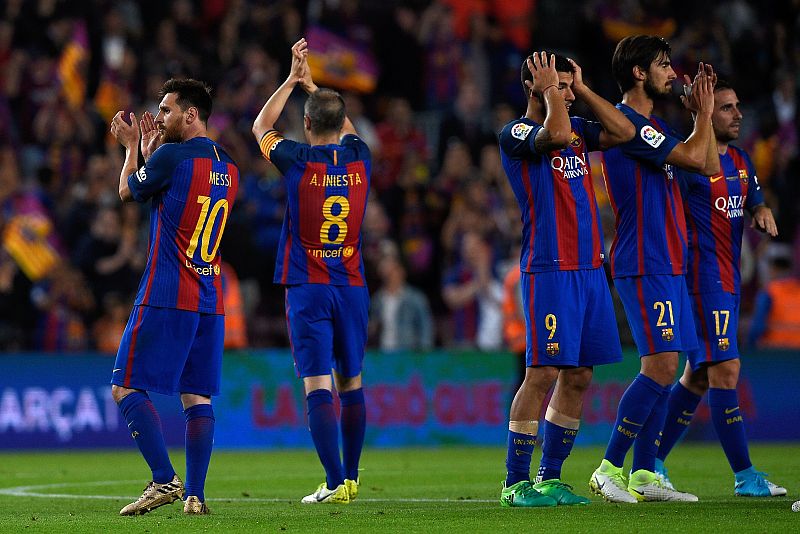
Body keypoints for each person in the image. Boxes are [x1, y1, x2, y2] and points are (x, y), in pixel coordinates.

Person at [497, 51, 635, 507]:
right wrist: (552, 93)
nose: (569, 95)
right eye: (560, 86)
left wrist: (583, 87)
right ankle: (515, 484)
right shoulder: (516, 133)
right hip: (550, 269)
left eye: (569, 86)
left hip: (591, 269)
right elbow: (553, 134)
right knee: (542, 372)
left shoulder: (577, 128)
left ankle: (551, 477)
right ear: (533, 87)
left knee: (578, 374)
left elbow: (624, 132)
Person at [588, 35, 720, 503]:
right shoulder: (629, 124)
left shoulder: (656, 126)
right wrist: (703, 114)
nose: (672, 73)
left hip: (668, 261)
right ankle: (608, 467)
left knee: (670, 364)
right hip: (644, 260)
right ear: (639, 73)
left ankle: (644, 473)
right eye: (663, 64)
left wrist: (700, 118)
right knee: (661, 366)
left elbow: (707, 164)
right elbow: (693, 157)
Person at [108, 78, 239, 516]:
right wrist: (154, 154)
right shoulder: (230, 166)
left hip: (166, 292)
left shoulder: (172, 156)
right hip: (209, 299)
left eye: (166, 110)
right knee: (196, 396)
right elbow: (182, 196)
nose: (160, 117)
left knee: (125, 385)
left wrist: (132, 148)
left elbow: (128, 191)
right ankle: (195, 497)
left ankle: (164, 479)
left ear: (191, 114)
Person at [252, 38, 369, 505]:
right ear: (340, 123)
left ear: (305, 124)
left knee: (318, 384)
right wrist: (315, 87)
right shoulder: (360, 156)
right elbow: (345, 125)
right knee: (351, 381)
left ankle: (335, 482)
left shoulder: (296, 160)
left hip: (307, 286)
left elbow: (261, 126)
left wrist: (292, 80)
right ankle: (351, 478)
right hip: (352, 285)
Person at [654, 80, 785, 497]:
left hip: (728, 280)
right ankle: (745, 475)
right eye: (726, 107)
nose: (738, 114)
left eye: (737, 106)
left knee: (697, 377)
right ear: (707, 112)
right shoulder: (689, 164)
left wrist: (760, 209)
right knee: (726, 370)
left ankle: (652, 462)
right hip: (701, 279)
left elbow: (755, 198)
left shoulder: (742, 161)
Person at [370, 253, 434, 352]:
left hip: (408, 351)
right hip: (383, 351)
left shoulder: (415, 298)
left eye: (392, 272)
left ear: (401, 272)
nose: (389, 276)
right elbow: (372, 328)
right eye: (386, 273)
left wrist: (424, 352)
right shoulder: (378, 299)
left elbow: (426, 326)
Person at [748, 255, 800, 349]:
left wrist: (749, 345)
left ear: (774, 269)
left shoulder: (769, 291)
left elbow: (757, 326)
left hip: (774, 348)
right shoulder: (797, 289)